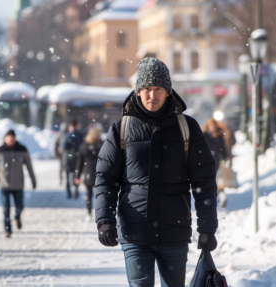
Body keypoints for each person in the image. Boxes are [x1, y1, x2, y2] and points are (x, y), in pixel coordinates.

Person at [95, 57, 218, 286]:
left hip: (174, 231)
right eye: (147, 89)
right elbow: (105, 179)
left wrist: (208, 228)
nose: (153, 95)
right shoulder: (121, 129)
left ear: (168, 92)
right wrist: (105, 220)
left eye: (158, 89)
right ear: (138, 92)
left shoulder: (187, 128)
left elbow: (204, 182)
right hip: (135, 231)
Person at [0, 130, 36, 238]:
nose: (11, 139)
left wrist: (33, 180)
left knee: (20, 206)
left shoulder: (22, 149)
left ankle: (17, 216)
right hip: (4, 185)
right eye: (8, 137)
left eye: (12, 137)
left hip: (18, 184)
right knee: (6, 209)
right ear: (5, 139)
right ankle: (7, 229)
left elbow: (29, 166)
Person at [74, 128, 103, 217]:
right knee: (101, 195)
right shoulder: (102, 145)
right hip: (100, 173)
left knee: (89, 194)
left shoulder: (84, 146)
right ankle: (101, 211)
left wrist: (77, 176)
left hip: (88, 173)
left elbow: (80, 162)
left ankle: (89, 212)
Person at [62, 120, 83, 199]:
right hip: (78, 158)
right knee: (77, 175)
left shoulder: (68, 135)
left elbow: (64, 147)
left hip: (68, 158)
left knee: (67, 176)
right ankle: (76, 189)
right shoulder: (80, 135)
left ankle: (69, 193)